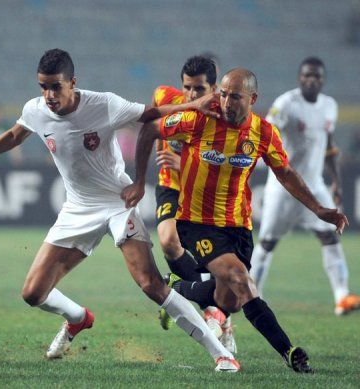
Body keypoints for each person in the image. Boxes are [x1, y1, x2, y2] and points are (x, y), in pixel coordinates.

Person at [0, 48, 241, 372]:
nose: (48, 95)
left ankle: (221, 354)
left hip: (118, 202)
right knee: (33, 293)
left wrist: (192, 105)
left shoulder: (103, 104)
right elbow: (13, 137)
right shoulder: (35, 110)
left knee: (151, 284)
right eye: (43, 87)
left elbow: (151, 114)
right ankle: (77, 318)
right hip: (77, 208)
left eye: (55, 87)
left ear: (72, 82)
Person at [122, 68, 349, 373]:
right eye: (224, 94)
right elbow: (151, 129)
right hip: (196, 222)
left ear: (253, 99)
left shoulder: (263, 132)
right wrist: (139, 180)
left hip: (238, 226)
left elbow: (285, 172)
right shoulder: (200, 118)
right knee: (242, 280)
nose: (227, 102)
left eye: (236, 96)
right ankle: (290, 351)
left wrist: (319, 209)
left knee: (228, 300)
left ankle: (177, 287)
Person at [250, 57, 360, 316]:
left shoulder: (329, 106)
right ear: (300, 77)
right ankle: (252, 295)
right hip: (283, 186)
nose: (312, 80)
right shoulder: (286, 104)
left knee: (330, 235)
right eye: (307, 75)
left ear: (322, 80)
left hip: (315, 185)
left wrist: (334, 180)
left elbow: (329, 145)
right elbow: (265, 133)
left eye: (317, 76)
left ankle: (341, 296)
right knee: (267, 242)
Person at [152, 56, 236, 353]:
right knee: (167, 240)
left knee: (211, 258)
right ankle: (215, 311)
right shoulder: (165, 95)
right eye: (187, 87)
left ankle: (201, 301)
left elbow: (227, 167)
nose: (191, 95)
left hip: (201, 191)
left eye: (199, 90)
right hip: (170, 185)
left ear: (214, 88)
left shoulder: (223, 118)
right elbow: (153, 119)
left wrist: (184, 162)